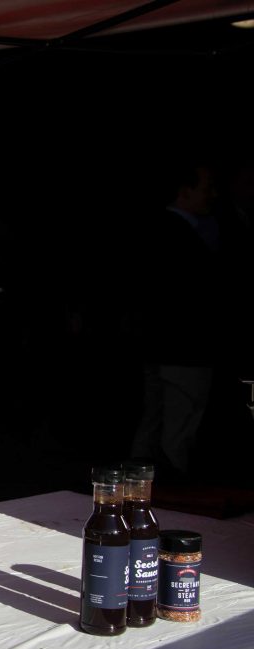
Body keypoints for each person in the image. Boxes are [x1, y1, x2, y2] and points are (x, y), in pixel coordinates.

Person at [130, 155, 225, 479]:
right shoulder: (177, 233)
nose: (213, 195)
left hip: (163, 347)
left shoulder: (164, 228)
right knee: (177, 430)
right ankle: (170, 496)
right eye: (207, 188)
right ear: (184, 191)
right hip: (183, 349)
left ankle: (141, 495)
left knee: (156, 423)